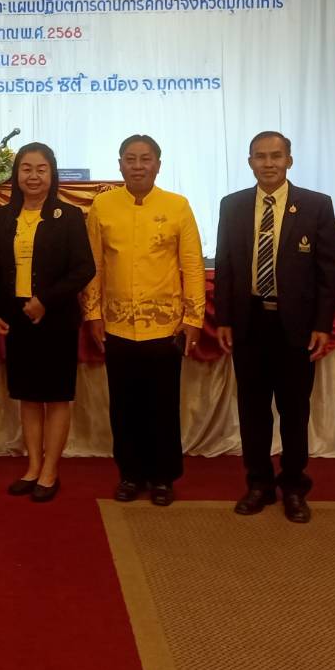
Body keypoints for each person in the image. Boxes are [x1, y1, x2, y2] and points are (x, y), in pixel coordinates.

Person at [214, 131, 335, 523]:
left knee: (294, 410)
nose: (268, 163)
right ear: (249, 161)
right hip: (249, 322)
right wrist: (224, 318)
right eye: (260, 156)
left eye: (276, 156)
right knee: (252, 410)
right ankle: (259, 483)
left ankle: (294, 486)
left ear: (289, 160)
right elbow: (225, 265)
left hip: (296, 327)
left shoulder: (316, 205)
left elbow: (327, 272)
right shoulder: (232, 205)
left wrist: (322, 324)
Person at [82, 134, 204, 507]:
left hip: (164, 324)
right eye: (130, 159)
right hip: (117, 324)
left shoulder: (178, 206)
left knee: (162, 405)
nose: (138, 166)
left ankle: (163, 477)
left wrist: (193, 317)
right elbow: (94, 265)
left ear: (158, 165)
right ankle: (130, 475)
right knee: (124, 405)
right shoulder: (103, 206)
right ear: (119, 164)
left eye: (145, 159)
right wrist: (92, 313)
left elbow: (192, 265)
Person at [0, 142, 95, 503]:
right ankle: (32, 467)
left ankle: (50, 470)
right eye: (26, 168)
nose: (33, 176)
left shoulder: (70, 215)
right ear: (16, 173)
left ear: (52, 173)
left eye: (41, 169)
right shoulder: (4, 216)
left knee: (57, 397)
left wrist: (45, 300)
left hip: (56, 319)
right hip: (18, 320)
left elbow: (84, 268)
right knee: (29, 397)